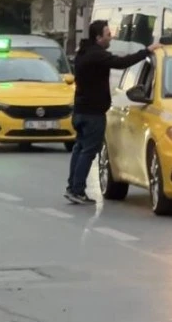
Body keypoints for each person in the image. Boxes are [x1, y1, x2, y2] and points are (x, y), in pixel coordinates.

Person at [65, 20, 161, 204]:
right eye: (108, 34)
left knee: (79, 149)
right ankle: (77, 190)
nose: (111, 37)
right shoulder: (96, 55)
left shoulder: (84, 52)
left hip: (80, 111)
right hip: (92, 113)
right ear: (98, 37)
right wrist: (147, 50)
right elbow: (122, 62)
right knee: (88, 151)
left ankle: (72, 187)